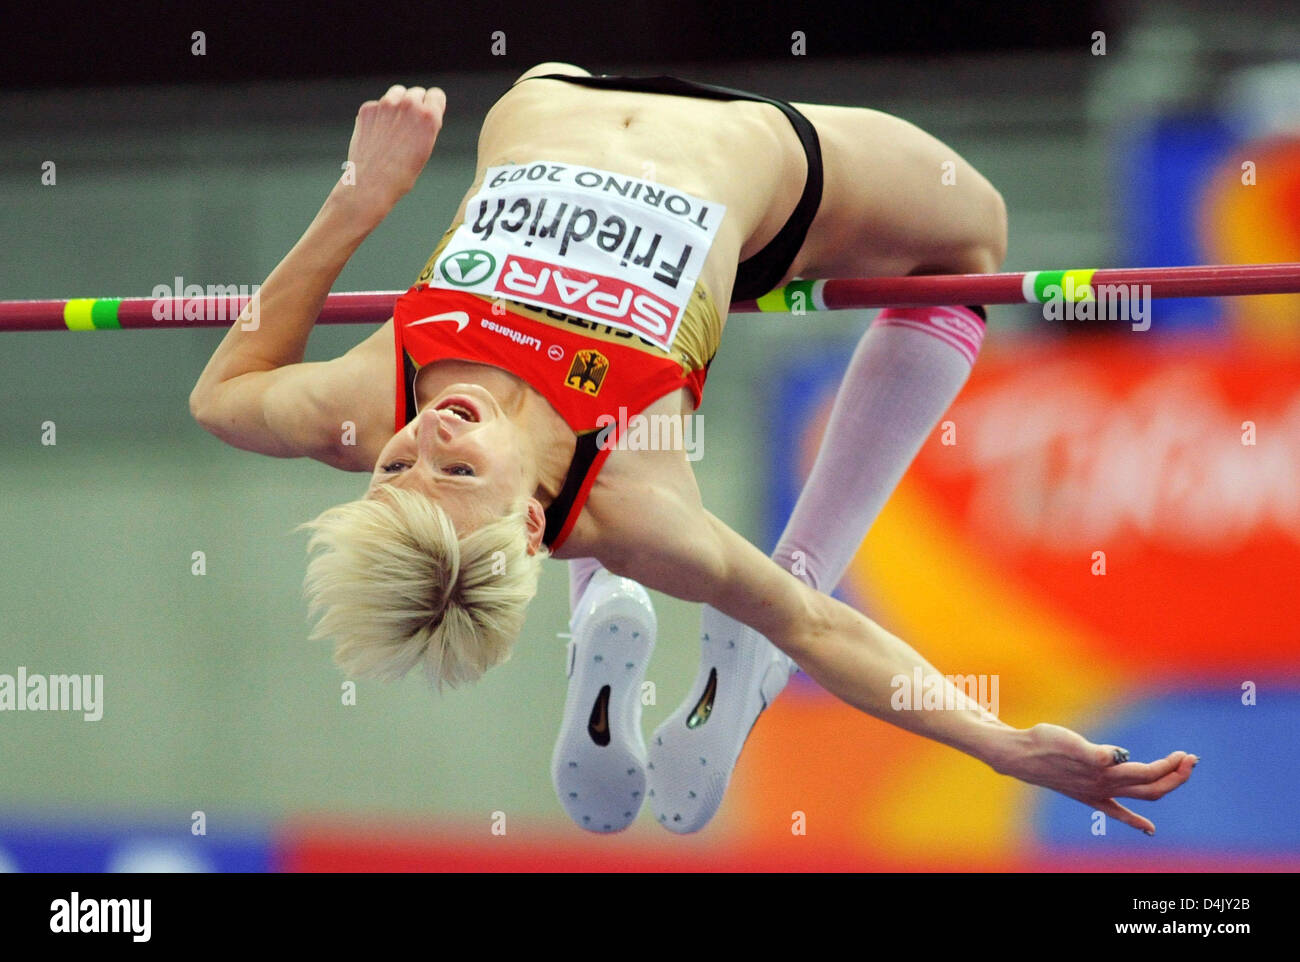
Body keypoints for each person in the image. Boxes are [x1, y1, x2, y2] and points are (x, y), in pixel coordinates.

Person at [189, 62, 1197, 838]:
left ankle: (611, 609)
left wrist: (359, 199)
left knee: (631, 474)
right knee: (969, 241)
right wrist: (1002, 744)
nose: (428, 433)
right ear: (532, 519)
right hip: (751, 156)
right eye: (456, 471)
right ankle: (745, 610)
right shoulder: (633, 502)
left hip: (560, 90)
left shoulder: (364, 404)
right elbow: (826, 631)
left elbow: (221, 393)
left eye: (394, 468)